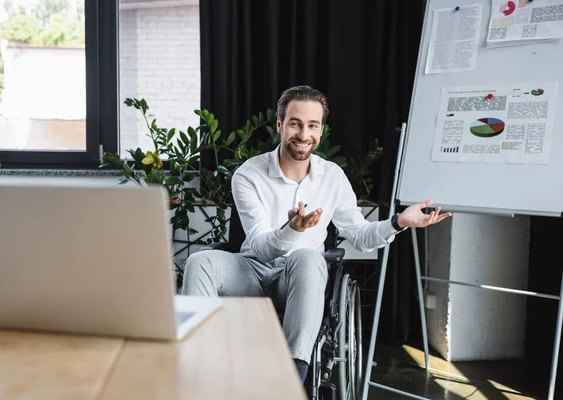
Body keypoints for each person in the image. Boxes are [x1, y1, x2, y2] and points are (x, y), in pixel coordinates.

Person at [181, 85, 451, 383]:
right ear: (280, 124)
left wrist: (398, 222)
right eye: (295, 123)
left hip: (300, 278)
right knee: (200, 261)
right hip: (252, 272)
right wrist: (291, 230)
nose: (303, 134)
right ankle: (197, 372)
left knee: (307, 256)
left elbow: (359, 234)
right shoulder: (249, 174)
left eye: (313, 125)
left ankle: (293, 377)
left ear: (321, 131)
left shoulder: (332, 176)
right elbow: (258, 246)